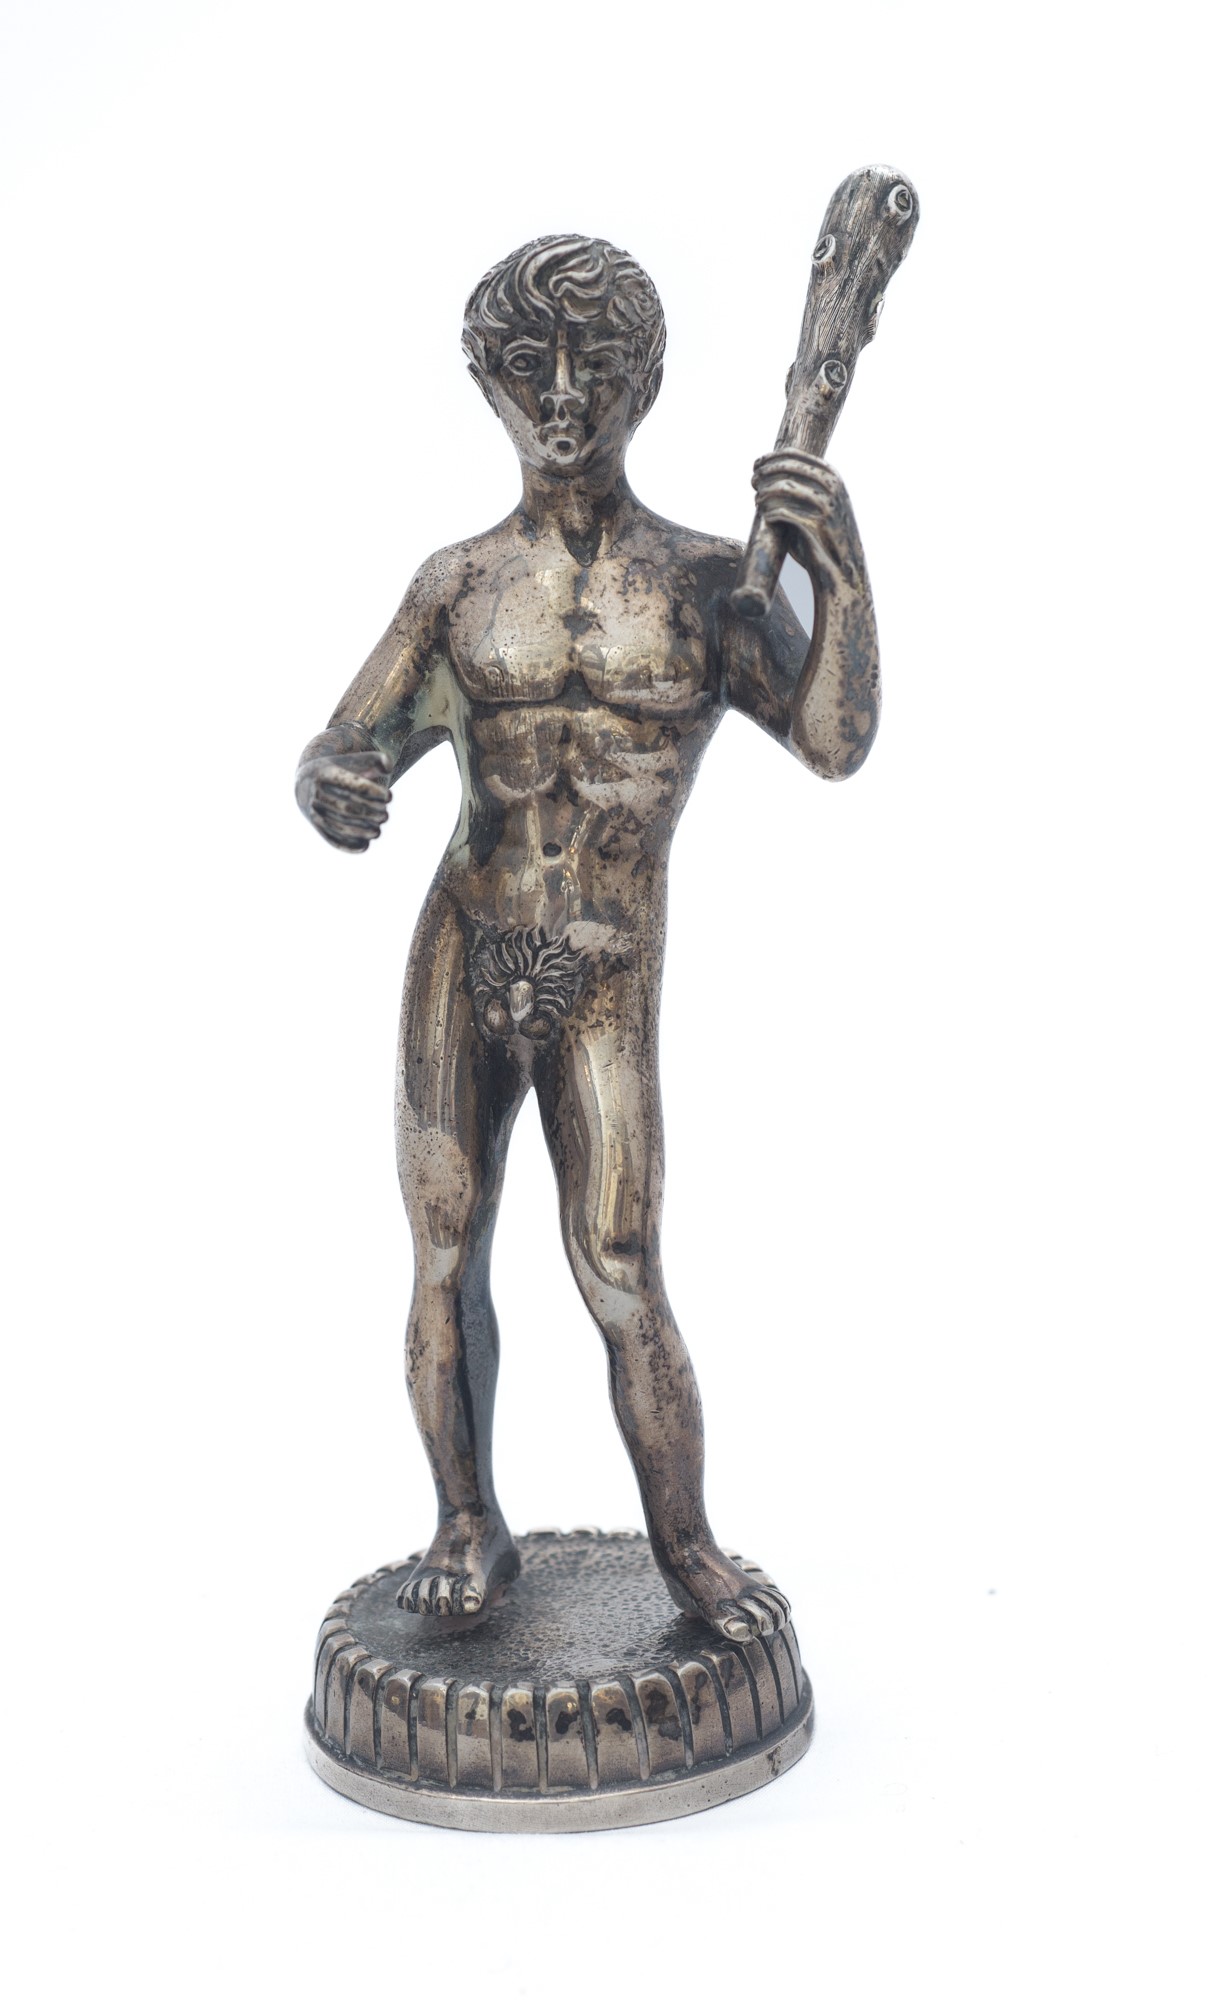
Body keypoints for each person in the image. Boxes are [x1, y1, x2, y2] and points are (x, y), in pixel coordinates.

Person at [295, 235, 881, 1641]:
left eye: (598, 365)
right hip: (464, 942)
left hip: (608, 966)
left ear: (647, 381)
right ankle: (465, 1521)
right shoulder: (455, 585)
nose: (562, 396)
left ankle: (686, 1547)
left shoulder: (707, 586)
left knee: (619, 1268)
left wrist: (840, 573)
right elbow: (349, 735)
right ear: (484, 381)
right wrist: (335, 783)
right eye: (527, 366)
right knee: (445, 1252)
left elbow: (832, 740)